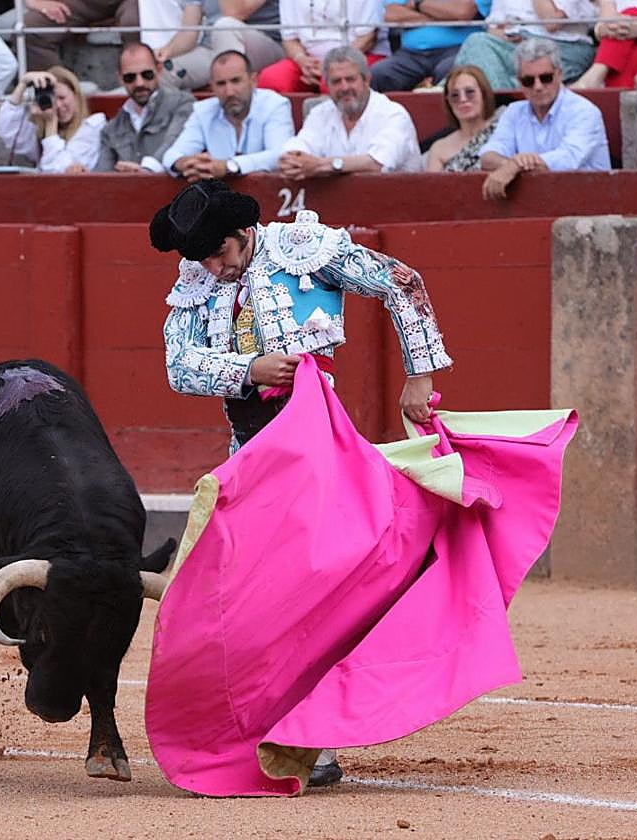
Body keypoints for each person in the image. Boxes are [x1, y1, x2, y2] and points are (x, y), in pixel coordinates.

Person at [152, 179, 452, 784]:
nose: (212, 268)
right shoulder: (197, 279)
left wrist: (421, 374)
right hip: (248, 456)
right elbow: (178, 366)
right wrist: (249, 368)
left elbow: (403, 282)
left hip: (316, 448)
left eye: (219, 254)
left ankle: (317, 736)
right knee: (248, 599)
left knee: (312, 592)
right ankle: (268, 728)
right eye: (202, 259)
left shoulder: (302, 248)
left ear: (244, 234)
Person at [479, 39, 610, 199]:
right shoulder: (513, 112)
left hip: (587, 203)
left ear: (560, 75)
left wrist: (515, 166)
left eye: (546, 78)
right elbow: (488, 156)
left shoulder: (584, 111)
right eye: (528, 81)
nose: (538, 86)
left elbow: (568, 160)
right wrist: (512, 165)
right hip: (535, 203)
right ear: (519, 83)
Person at [278, 46, 421, 177]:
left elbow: (377, 164)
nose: (344, 87)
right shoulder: (320, 114)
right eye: (336, 81)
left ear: (367, 80)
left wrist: (320, 166)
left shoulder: (393, 115)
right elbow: (300, 147)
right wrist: (291, 160)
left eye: (350, 79)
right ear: (327, 85)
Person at [162, 50, 294, 180]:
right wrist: (185, 163)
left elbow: (280, 155)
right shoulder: (203, 111)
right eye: (221, 84)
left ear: (253, 81)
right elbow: (171, 155)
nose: (229, 92)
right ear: (212, 87)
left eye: (236, 81)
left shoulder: (275, 105)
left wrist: (229, 166)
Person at [95, 43, 195, 173]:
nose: (139, 83)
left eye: (147, 74)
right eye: (130, 77)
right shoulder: (111, 129)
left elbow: (175, 144)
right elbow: (102, 178)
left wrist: (145, 170)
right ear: (120, 78)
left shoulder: (182, 104)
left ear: (159, 70)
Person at [453, 0, 598, 88]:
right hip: (516, 44)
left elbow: (551, 22)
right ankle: (503, 104)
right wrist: (504, 35)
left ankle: (501, 107)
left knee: (479, 54)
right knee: (476, 45)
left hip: (562, 46)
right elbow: (493, 27)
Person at [257, 0, 388, 92]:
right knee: (271, 79)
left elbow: (368, 38)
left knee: (336, 81)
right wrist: (302, 61)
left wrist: (332, 64)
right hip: (310, 61)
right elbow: (289, 39)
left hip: (356, 56)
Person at [0, 66, 104, 173]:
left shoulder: (92, 127)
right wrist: (23, 84)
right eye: (52, 99)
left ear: (76, 96)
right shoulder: (41, 128)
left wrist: (51, 122)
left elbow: (58, 171)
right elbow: (7, 131)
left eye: (62, 98)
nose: (58, 105)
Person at [370, 0, 491, 91]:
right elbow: (391, 14)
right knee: (378, 74)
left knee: (453, 73)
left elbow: (463, 12)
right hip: (410, 54)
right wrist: (442, 16)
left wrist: (417, 3)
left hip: (457, 49)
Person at [425, 64, 503, 171]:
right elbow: (432, 186)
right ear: (448, 101)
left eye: (470, 92)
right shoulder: (439, 148)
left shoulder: (504, 132)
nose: (463, 99)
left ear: (484, 94)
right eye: (455, 95)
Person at [22, 0, 138, 71]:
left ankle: (142, 91)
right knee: (30, 29)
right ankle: (57, 96)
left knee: (135, 23)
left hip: (132, 2)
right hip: (78, 3)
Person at [571, 0, 637, 88]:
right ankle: (620, 96)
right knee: (636, 53)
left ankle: (596, 73)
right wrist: (604, 29)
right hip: (622, 43)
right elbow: (606, 21)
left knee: (633, 12)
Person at [139, 0, 220, 89]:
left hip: (226, 50)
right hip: (209, 49)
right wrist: (162, 53)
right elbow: (188, 32)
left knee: (160, 75)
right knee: (155, 73)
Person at [208, 0, 285, 73]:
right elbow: (231, 11)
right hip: (247, 42)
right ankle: (233, 82)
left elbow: (235, 12)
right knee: (224, 28)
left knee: (224, 27)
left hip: (283, 43)